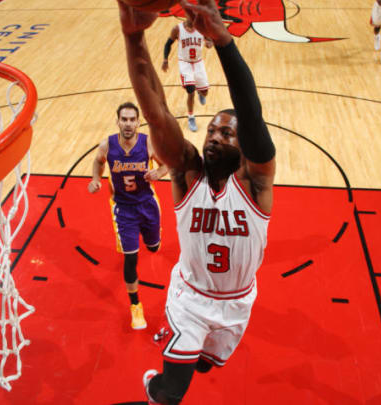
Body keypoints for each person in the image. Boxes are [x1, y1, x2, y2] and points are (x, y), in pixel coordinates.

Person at [118, 0, 276, 403]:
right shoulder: (189, 173)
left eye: (226, 133)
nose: (214, 137)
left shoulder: (256, 182)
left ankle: (193, 353)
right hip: (191, 297)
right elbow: (156, 113)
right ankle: (153, 387)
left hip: (237, 303)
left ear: (243, 149)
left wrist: (224, 41)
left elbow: (252, 116)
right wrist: (134, 37)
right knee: (172, 392)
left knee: (206, 364)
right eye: (211, 130)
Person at [87, 101, 168, 331]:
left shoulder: (148, 143)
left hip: (147, 205)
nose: (128, 123)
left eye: (133, 119)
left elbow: (167, 166)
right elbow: (97, 161)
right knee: (130, 258)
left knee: (153, 248)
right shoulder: (107, 145)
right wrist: (95, 179)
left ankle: (153, 236)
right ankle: (135, 305)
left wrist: (159, 172)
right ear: (118, 121)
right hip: (124, 210)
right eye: (124, 119)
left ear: (138, 122)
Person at [161, 17, 212, 132]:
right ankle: (191, 117)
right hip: (185, 63)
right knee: (190, 91)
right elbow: (167, 44)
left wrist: (209, 43)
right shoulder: (177, 29)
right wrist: (165, 60)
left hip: (198, 62)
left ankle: (201, 92)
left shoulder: (202, 28)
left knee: (205, 92)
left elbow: (210, 40)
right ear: (186, 14)